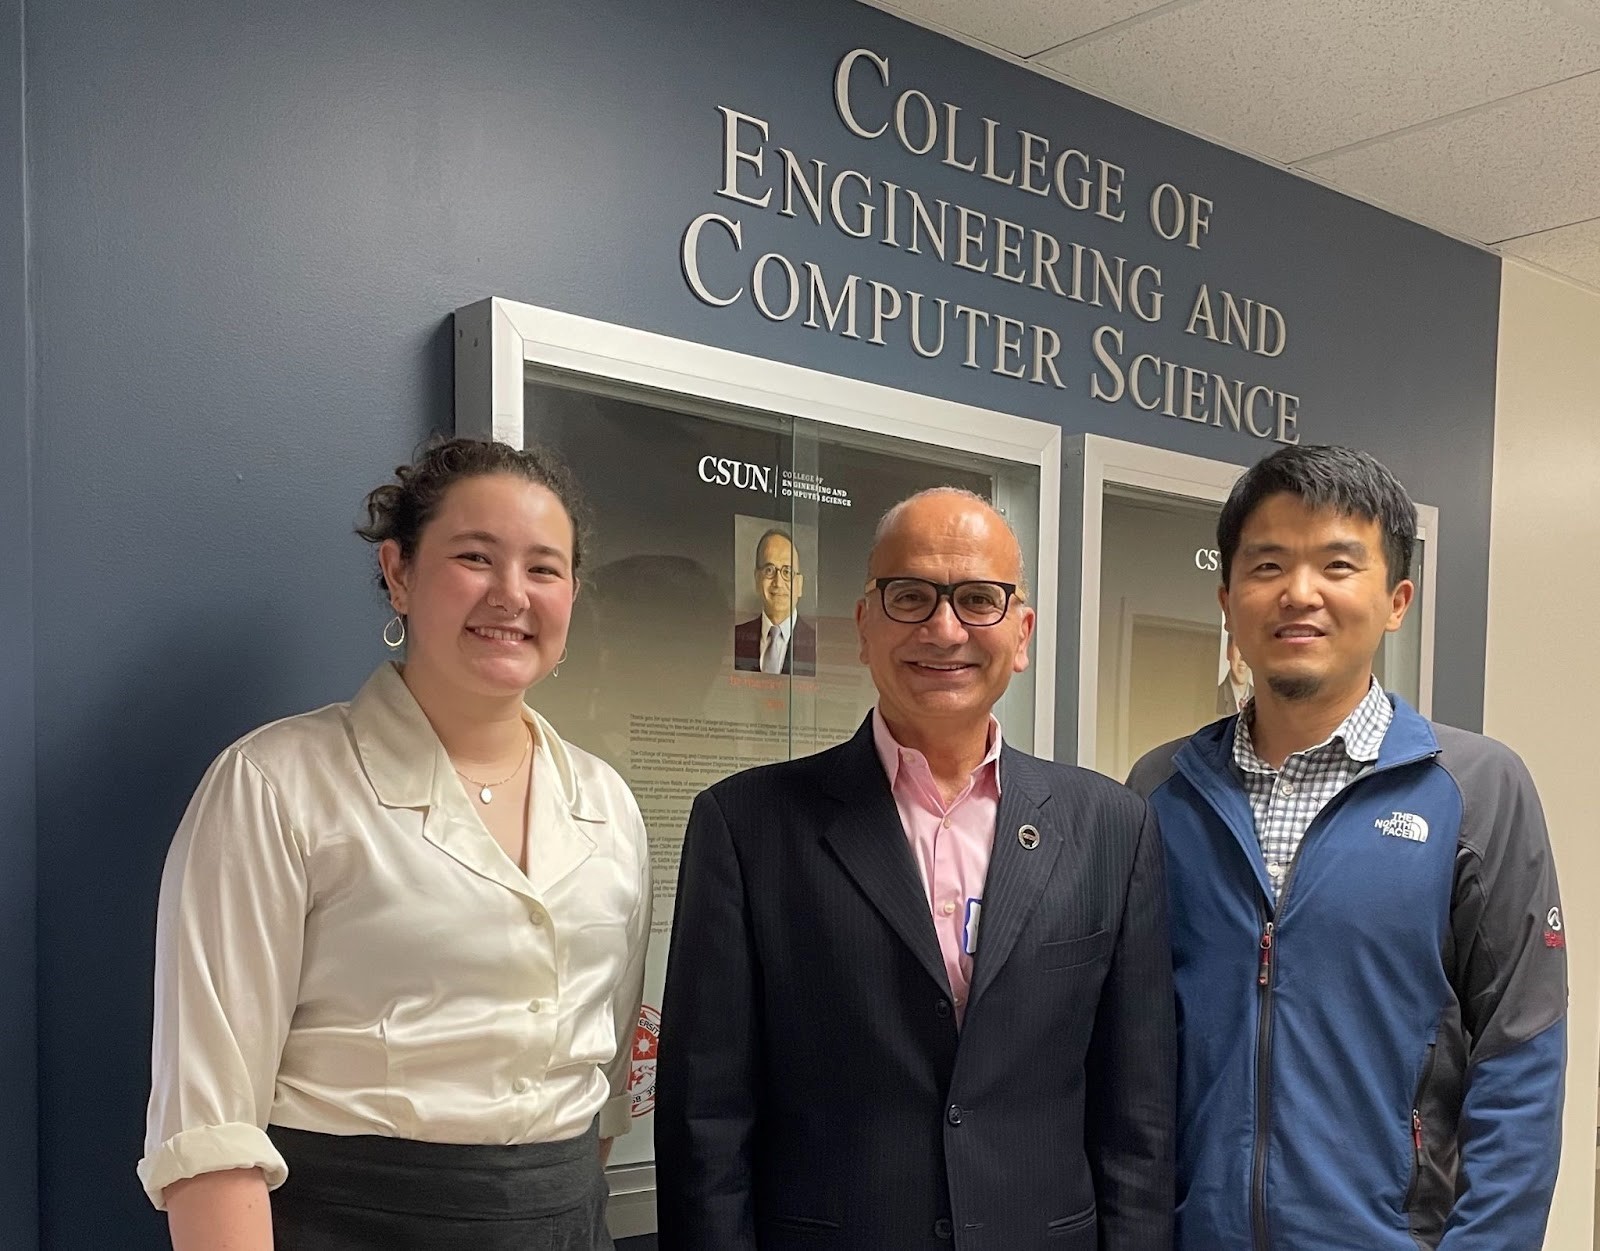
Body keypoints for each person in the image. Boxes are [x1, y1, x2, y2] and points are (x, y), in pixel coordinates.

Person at [139, 437, 651, 1250]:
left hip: (565, 1222)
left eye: (544, 569)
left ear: (572, 593)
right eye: (475, 557)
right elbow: (208, 1129)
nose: (511, 595)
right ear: (401, 571)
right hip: (346, 1221)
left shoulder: (609, 808)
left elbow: (605, 1079)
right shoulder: (275, 785)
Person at [658, 487, 1175, 1250]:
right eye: (910, 597)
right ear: (864, 625)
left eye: (977, 599)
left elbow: (1139, 1118)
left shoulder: (1111, 827)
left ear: (1022, 632)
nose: (944, 628)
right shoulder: (747, 827)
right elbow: (706, 1122)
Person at [1128, 444, 1566, 1250]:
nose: (1300, 593)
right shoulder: (1161, 791)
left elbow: (1520, 1061)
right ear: (1227, 598)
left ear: (1396, 598)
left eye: (1337, 563)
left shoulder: (1477, 789)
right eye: (1267, 565)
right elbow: (1133, 1059)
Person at [732, 527, 816, 675]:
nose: (778, 582)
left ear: (800, 584)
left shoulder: (816, 644)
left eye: (787, 572)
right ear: (757, 579)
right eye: (769, 570)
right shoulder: (735, 638)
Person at [1215, 634, 1253, 715]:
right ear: (1228, 651)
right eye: (1239, 646)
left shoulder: (1263, 701)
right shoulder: (1214, 697)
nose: (1243, 658)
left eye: (1249, 647)